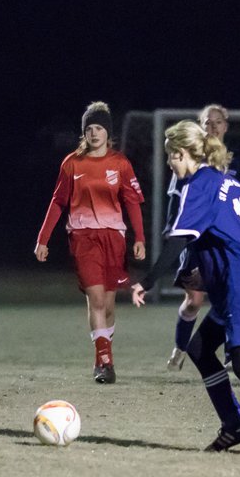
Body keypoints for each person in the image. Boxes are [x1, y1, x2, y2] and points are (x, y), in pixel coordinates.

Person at [131, 119, 240, 458]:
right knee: (199, 349)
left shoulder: (200, 185)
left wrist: (147, 281)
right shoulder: (223, 182)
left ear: (182, 153)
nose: (169, 163)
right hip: (238, 285)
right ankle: (234, 427)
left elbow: (179, 239)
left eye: (171, 157)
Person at [35, 101, 146, 384]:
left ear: (108, 133)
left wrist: (140, 238)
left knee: (108, 305)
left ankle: (105, 355)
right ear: (84, 133)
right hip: (84, 238)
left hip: (114, 239)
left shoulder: (120, 163)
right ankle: (103, 363)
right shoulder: (72, 163)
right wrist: (43, 239)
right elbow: (58, 202)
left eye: (99, 128)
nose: (94, 133)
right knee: (95, 299)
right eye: (89, 129)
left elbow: (132, 203)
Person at [144, 104, 240, 373]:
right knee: (194, 300)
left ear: (226, 126)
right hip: (195, 243)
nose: (213, 127)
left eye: (218, 122)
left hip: (226, 245)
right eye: (207, 122)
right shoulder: (189, 159)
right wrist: (173, 231)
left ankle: (232, 354)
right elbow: (176, 202)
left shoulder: (237, 162)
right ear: (200, 126)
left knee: (232, 298)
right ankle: (181, 346)